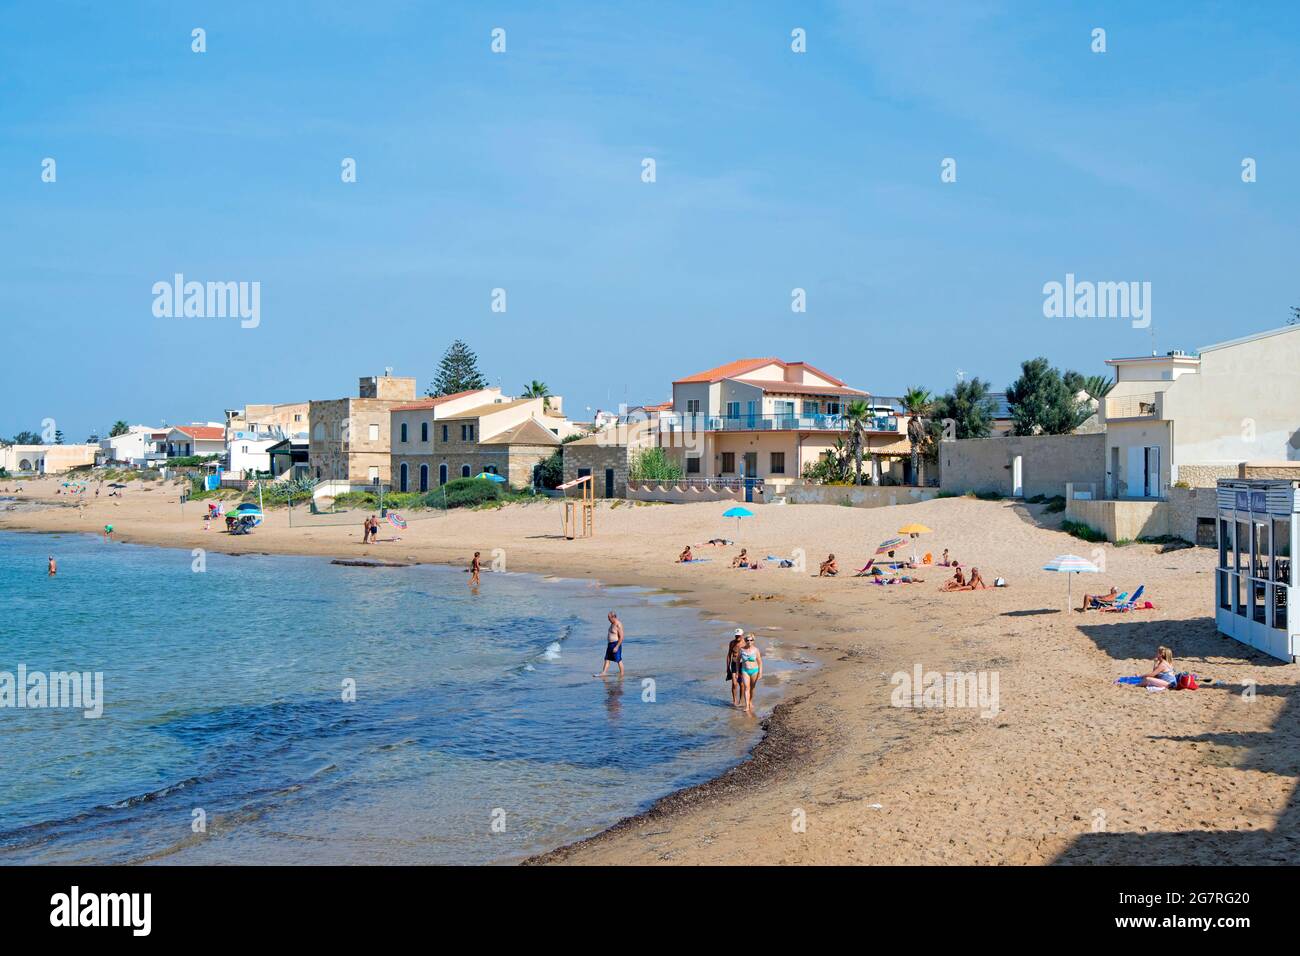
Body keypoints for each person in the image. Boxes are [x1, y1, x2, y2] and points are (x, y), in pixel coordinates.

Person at [737, 632, 763, 714]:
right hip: (745, 671)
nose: (749, 642)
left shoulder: (756, 650)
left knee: (752, 688)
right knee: (746, 688)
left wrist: (760, 673)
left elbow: (760, 662)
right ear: (745, 640)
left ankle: (750, 701)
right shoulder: (741, 650)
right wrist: (738, 671)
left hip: (754, 671)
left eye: (751, 640)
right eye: (747, 640)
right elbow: (737, 661)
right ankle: (747, 705)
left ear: (753, 641)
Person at [595, 611, 625, 678]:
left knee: (618, 660)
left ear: (613, 617)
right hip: (610, 644)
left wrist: (617, 646)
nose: (608, 619)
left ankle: (622, 674)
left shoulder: (618, 624)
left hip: (616, 644)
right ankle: (604, 672)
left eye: (609, 618)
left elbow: (622, 637)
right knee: (607, 659)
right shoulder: (612, 623)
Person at [725, 629, 744, 707]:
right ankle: (734, 701)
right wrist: (727, 667)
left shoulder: (745, 643)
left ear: (742, 635)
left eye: (739, 635)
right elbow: (729, 655)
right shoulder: (732, 643)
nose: (737, 637)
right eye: (736, 635)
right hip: (733, 664)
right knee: (734, 683)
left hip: (742, 665)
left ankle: (741, 701)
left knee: (741, 684)